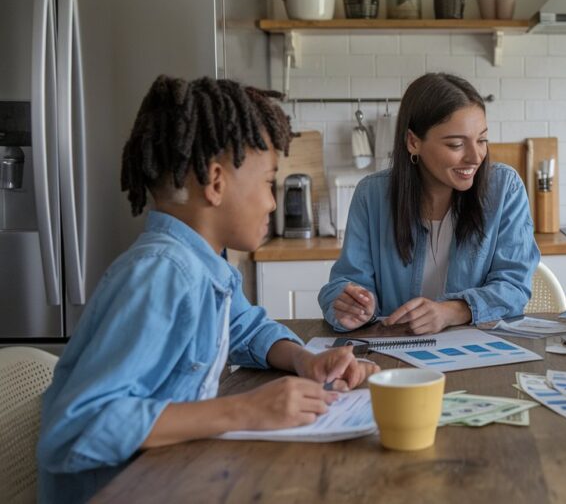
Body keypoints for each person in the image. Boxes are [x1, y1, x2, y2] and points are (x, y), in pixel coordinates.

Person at [36, 76, 379, 504]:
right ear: (215, 182)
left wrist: (305, 360)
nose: (273, 203)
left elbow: (245, 328)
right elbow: (74, 431)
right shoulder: (164, 274)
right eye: (267, 183)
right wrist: (246, 410)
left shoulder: (203, 263)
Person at [319, 73, 539, 335]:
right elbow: (345, 283)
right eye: (456, 144)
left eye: (482, 140)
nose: (475, 156)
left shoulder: (505, 189)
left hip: (478, 353)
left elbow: (514, 286)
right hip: (396, 358)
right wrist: (350, 305)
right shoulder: (372, 195)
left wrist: (452, 311)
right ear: (413, 142)